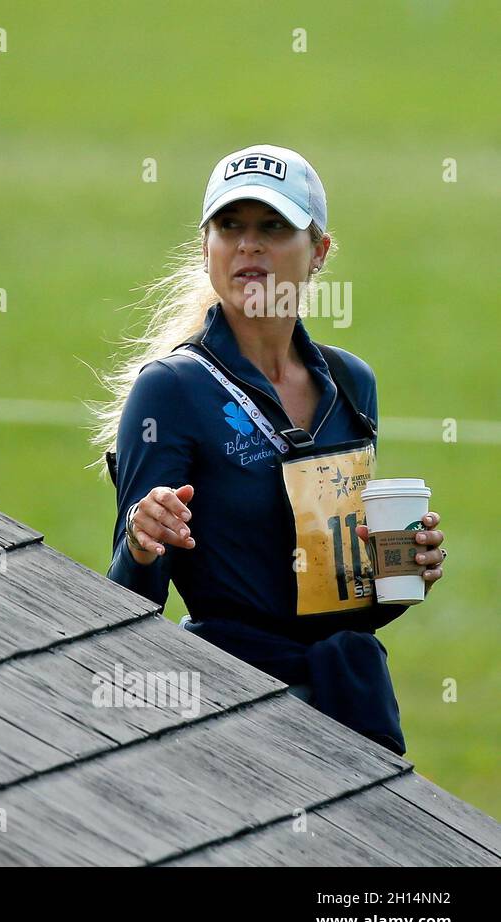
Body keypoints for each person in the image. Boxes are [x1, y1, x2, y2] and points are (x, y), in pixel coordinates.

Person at [88, 145, 447, 756]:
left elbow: (343, 607)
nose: (249, 245)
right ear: (207, 249)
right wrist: (144, 541)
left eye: (273, 227)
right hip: (232, 707)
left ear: (319, 252)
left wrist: (400, 571)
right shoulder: (170, 390)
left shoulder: (352, 384)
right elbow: (129, 602)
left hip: (349, 701)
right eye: (231, 227)